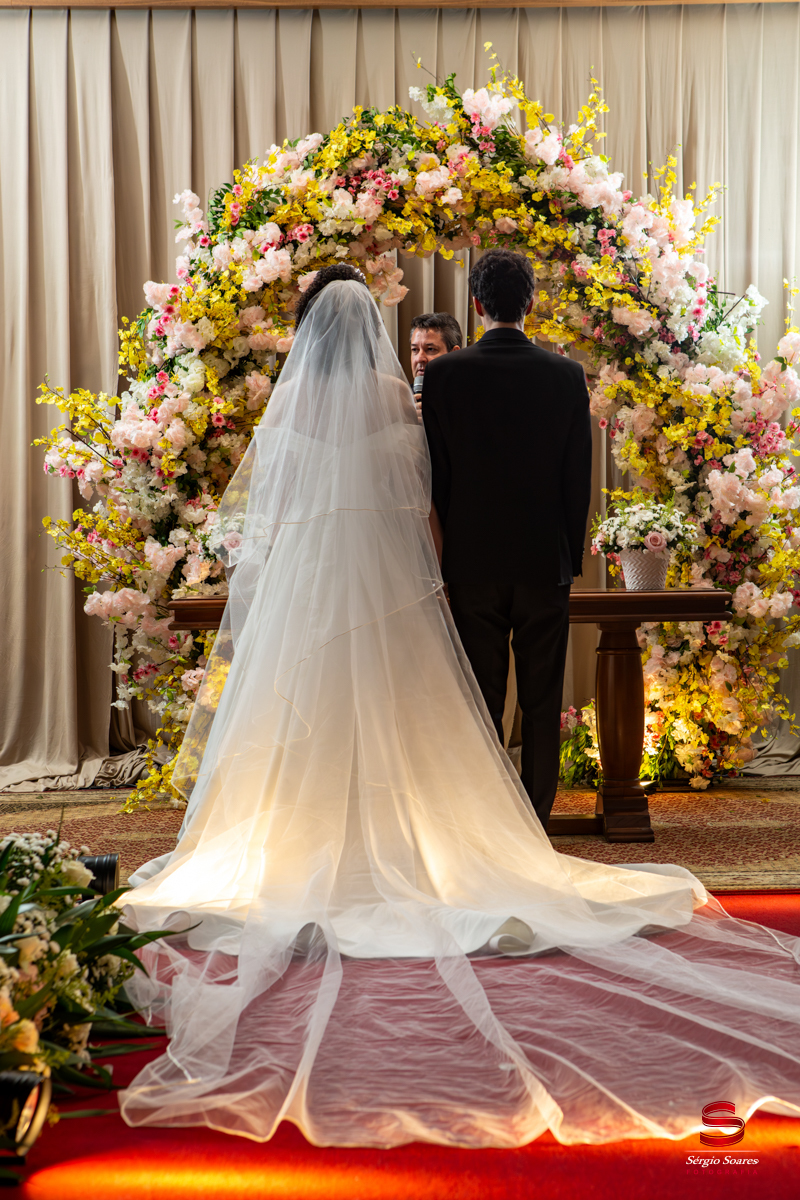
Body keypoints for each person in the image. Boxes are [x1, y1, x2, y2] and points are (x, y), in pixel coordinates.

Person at [118, 266, 800, 1150]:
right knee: (478, 708)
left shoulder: (357, 395)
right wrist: (486, 560)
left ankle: (306, 833)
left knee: (349, 707)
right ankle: (513, 828)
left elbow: (299, 511)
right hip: (453, 572)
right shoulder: (439, 390)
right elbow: (440, 492)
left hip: (327, 586)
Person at [422, 249, 591, 829]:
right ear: (532, 303)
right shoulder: (566, 375)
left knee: (480, 700)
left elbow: (435, 475)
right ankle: (536, 822)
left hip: (470, 562)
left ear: (476, 305)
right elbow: (577, 477)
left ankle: (486, 823)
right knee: (542, 702)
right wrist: (569, 554)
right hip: (545, 561)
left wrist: (445, 555)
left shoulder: (444, 374)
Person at [409, 312, 463, 420]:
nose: (419, 358)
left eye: (430, 349)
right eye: (415, 350)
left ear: (454, 354)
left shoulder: (468, 399)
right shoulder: (400, 398)